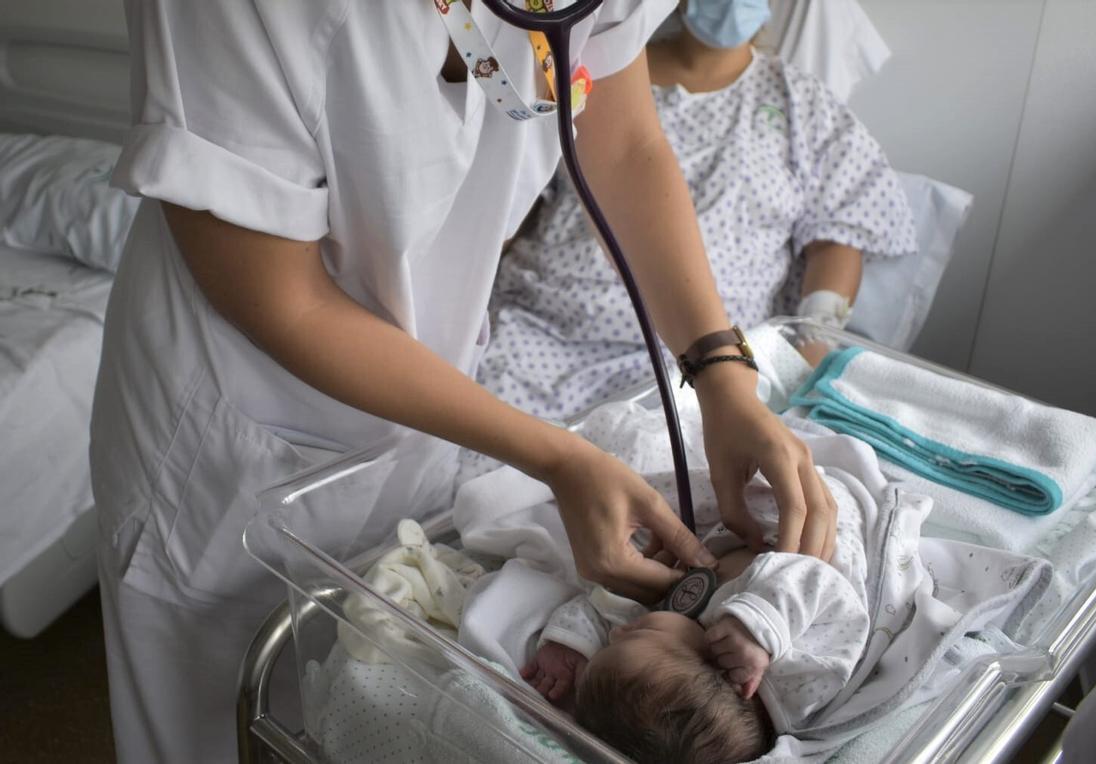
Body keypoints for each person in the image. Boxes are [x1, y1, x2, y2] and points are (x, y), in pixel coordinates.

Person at [90, 0, 838, 760]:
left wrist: (721, 372)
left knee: (359, 712)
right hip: (240, 425)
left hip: (429, 400)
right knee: (215, 725)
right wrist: (557, 457)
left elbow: (625, 147)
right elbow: (282, 298)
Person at [476, 0, 916, 422]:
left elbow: (840, 234)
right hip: (540, 331)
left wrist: (809, 350)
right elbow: (516, 189)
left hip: (705, 361)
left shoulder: (800, 104)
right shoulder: (588, 70)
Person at [520, 465, 871, 763]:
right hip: (812, 520)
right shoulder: (800, 683)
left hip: (731, 528)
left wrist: (572, 643)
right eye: (638, 631)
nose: (617, 632)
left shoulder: (669, 646)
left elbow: (612, 606)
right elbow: (828, 588)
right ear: (721, 665)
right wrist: (757, 627)